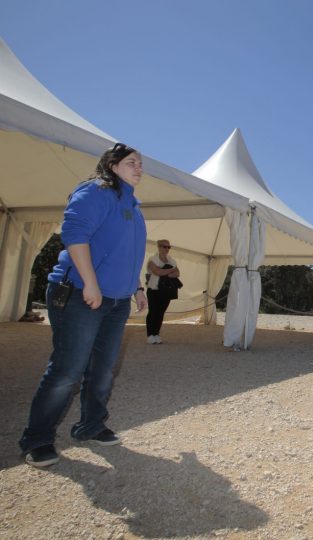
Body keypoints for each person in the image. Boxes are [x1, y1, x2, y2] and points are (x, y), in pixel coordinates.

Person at [19, 143, 147, 467]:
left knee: (102, 370)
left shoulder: (134, 206)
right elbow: (75, 234)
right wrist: (90, 282)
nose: (139, 168)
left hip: (116, 301)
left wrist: (138, 287)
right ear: (113, 165)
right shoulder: (95, 191)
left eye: (141, 164)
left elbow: (128, 252)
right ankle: (36, 439)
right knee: (67, 370)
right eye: (132, 162)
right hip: (79, 292)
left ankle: (90, 426)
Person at [145, 239, 180, 344]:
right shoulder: (153, 259)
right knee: (153, 312)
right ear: (159, 247)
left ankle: (156, 334)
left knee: (160, 313)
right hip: (154, 290)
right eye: (164, 246)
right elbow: (157, 271)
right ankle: (150, 335)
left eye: (169, 247)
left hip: (166, 291)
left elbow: (177, 273)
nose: (167, 249)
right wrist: (170, 270)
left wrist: (165, 272)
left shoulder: (171, 260)